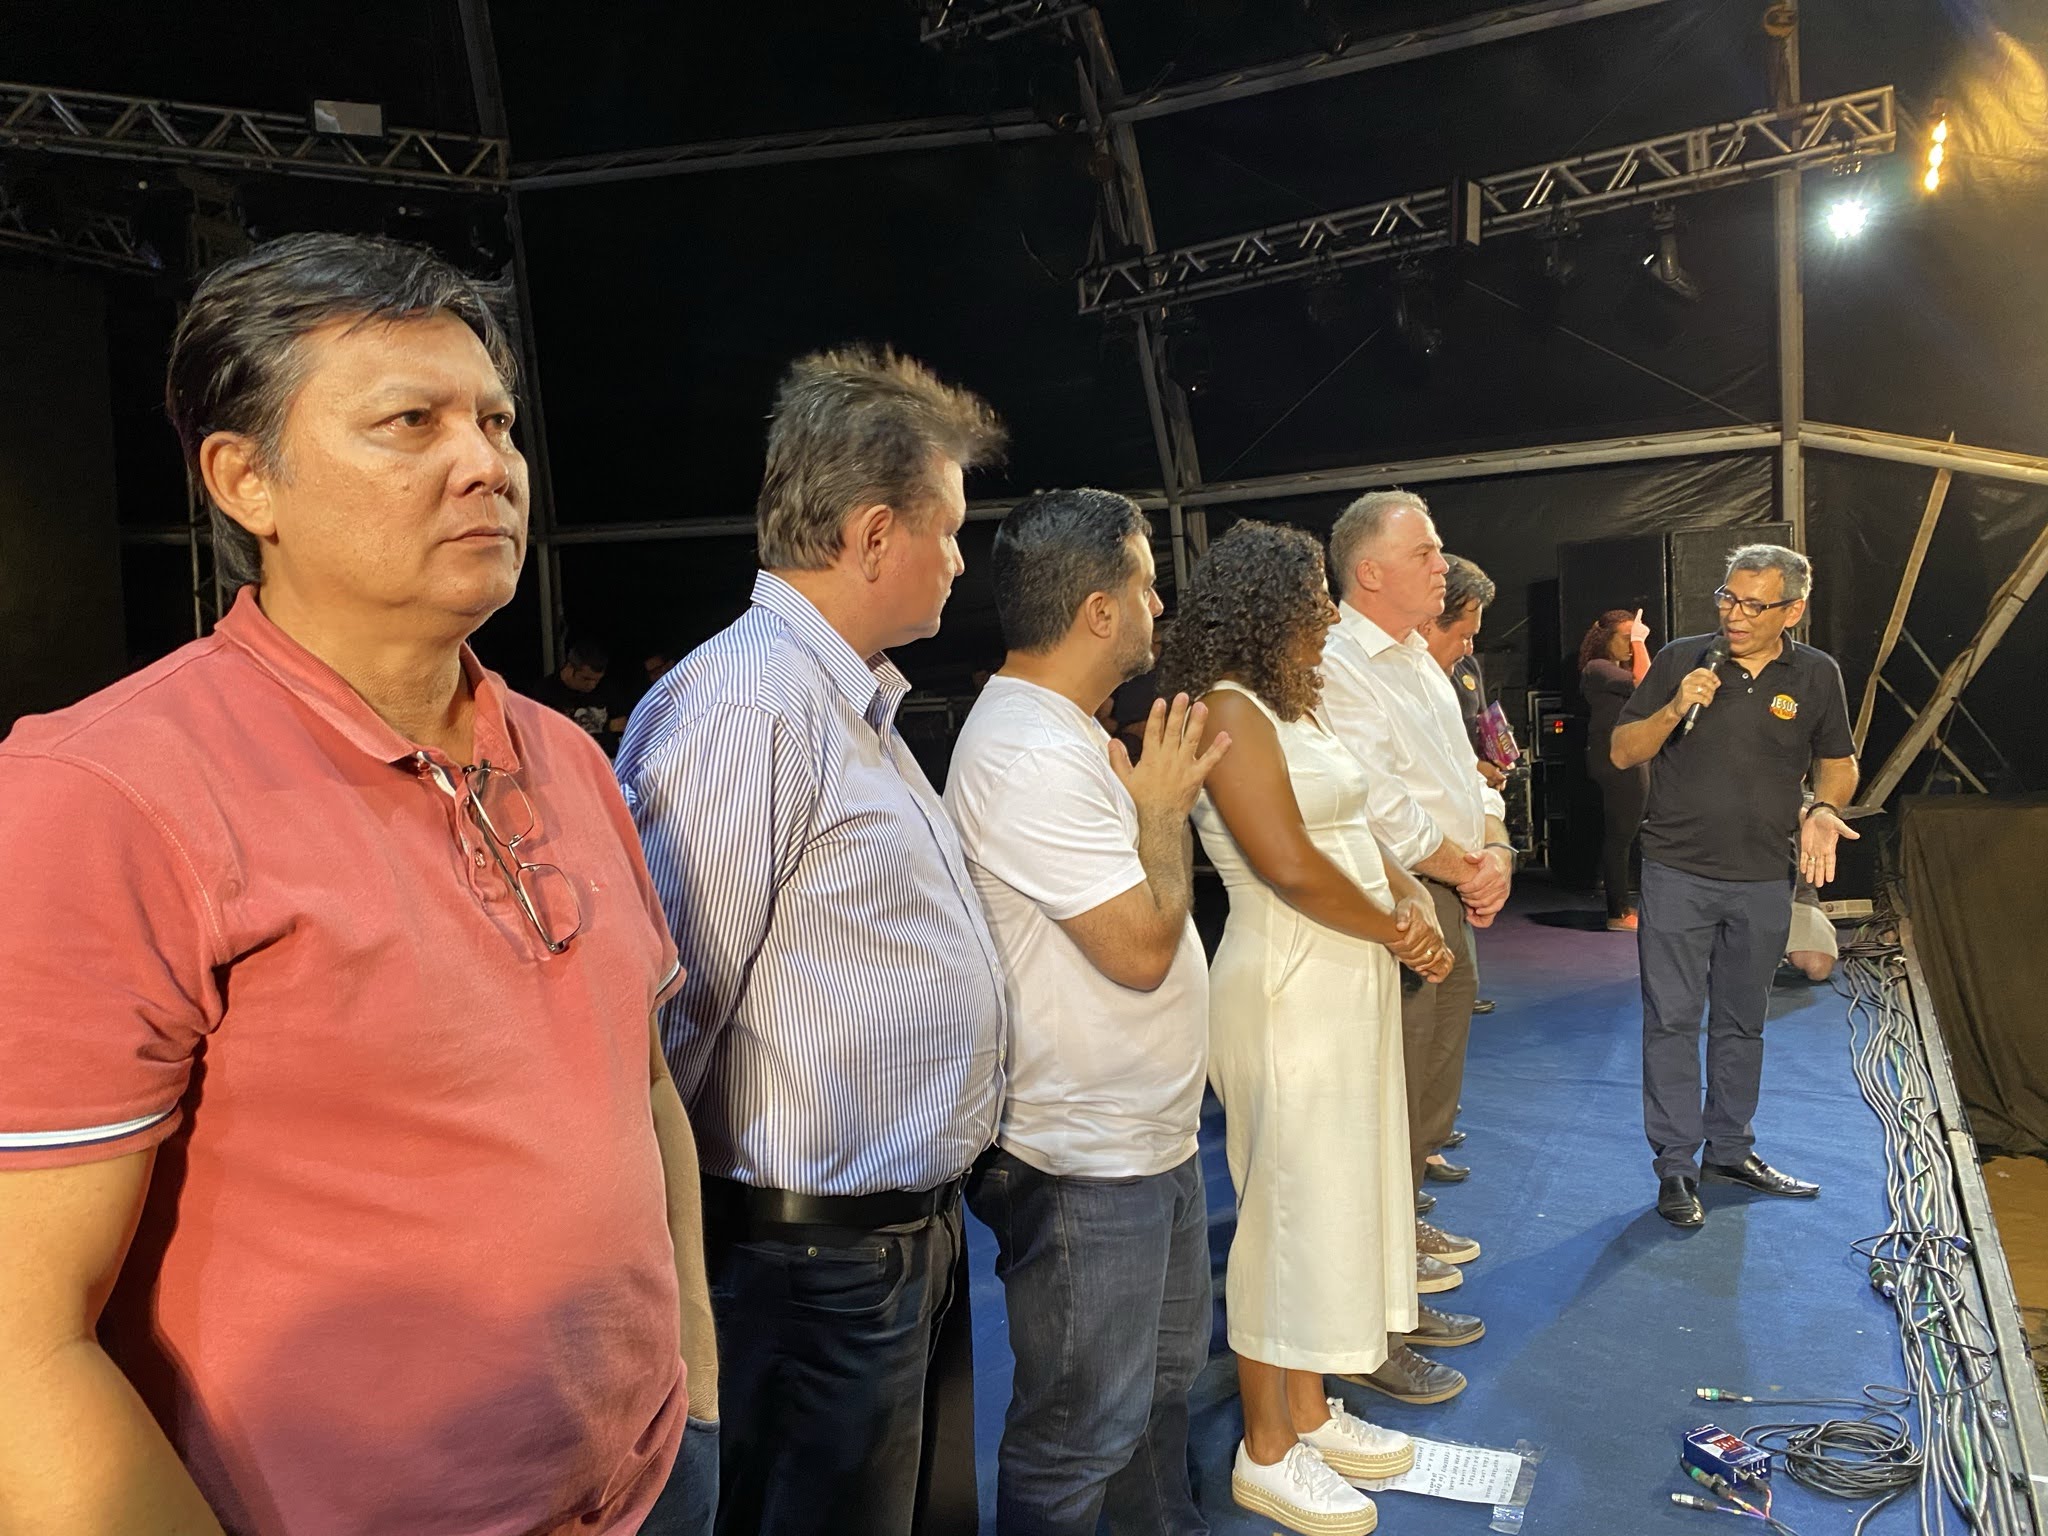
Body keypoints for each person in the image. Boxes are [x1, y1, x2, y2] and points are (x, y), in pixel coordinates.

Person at [0, 232, 713, 1536]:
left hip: (652, 1485)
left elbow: (642, 1083)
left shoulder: (565, 756)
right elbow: (19, 1344)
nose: (484, 463)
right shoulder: (106, 793)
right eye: (409, 422)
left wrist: (696, 1391)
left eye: (495, 421)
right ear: (244, 480)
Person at [615, 345, 1008, 1536]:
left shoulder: (840, 701)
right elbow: (666, 1017)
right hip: (800, 1269)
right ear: (874, 534)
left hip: (876, 1253)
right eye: (947, 531)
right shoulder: (747, 705)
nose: (957, 559)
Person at [1165, 520, 1468, 1536]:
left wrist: (1408, 902)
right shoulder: (1228, 708)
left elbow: (1355, 831)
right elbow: (1287, 862)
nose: (1329, 614)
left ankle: (1305, 1411)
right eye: (1313, 597)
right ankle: (1264, 1450)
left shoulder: (1293, 703)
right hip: (1286, 981)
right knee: (1283, 1215)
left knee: (1331, 1200)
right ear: (1265, 607)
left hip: (1345, 976)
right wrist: (1395, 928)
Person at [946, 488, 1226, 1536]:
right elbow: (1143, 949)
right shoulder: (1028, 753)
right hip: (1083, 1163)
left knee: (1154, 1401)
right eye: (1147, 585)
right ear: (1098, 611)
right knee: (1078, 1438)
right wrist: (1163, 811)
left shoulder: (1063, 735)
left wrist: (1151, 808)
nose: (1160, 604)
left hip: (1140, 1144)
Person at [1610, 544, 1858, 1229]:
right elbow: (1623, 750)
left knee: (1743, 1022)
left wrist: (1824, 808)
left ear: (1792, 611)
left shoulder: (1816, 674)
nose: (1735, 616)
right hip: (1676, 873)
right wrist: (1674, 707)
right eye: (1727, 598)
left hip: (1763, 877)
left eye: (1754, 604)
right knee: (1671, 1020)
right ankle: (1675, 1166)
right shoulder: (1679, 660)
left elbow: (1838, 762)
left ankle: (1729, 1150)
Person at [1320, 492, 1510, 1295]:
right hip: (1399, 896)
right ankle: (1383, 1252)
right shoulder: (1337, 661)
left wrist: (1496, 846)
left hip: (1446, 883)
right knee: (1395, 1079)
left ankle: (1402, 1214)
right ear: (1370, 572)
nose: (1442, 566)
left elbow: (1468, 775)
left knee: (1433, 1074)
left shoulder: (1418, 660)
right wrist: (1468, 868)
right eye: (1425, 553)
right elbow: (1374, 803)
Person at [1419, 555, 1504, 1023]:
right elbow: (1385, 811)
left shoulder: (1453, 674)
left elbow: (1463, 761)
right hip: (1418, 880)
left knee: (1453, 1002)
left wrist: (1496, 846)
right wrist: (1477, 871)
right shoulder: (1373, 682)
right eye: (1465, 634)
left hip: (1455, 871)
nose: (1470, 646)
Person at [1579, 608, 1653, 930]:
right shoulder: (1597, 668)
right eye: (1625, 638)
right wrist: (1640, 641)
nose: (1630, 645)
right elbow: (1644, 683)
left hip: (1630, 755)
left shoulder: (1616, 671)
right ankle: (1618, 911)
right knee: (1620, 836)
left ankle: (1623, 906)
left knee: (1627, 833)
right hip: (1614, 758)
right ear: (1606, 639)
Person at [1418, 556, 1503, 790]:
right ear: (1428, 625)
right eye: (1465, 637)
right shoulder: (1391, 682)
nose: (1470, 649)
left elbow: (1483, 728)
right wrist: (1471, 770)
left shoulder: (1467, 666)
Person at [533, 635, 630, 755]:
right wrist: (607, 729)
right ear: (569, 668)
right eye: (586, 679)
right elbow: (551, 737)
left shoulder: (606, 688)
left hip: (604, 757)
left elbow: (621, 725)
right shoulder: (546, 692)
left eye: (597, 680)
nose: (592, 685)